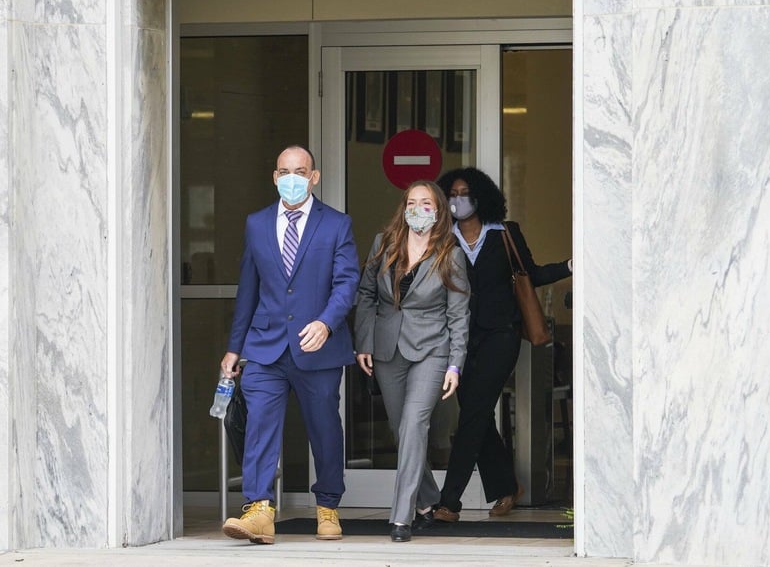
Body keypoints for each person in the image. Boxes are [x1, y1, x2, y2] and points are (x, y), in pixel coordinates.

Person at [219, 145, 360, 545]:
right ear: (275, 176)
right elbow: (248, 288)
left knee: (324, 428)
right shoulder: (257, 224)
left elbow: (346, 282)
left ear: (314, 177)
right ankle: (259, 510)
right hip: (265, 347)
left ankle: (328, 506)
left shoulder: (336, 224)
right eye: (284, 171)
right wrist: (235, 347)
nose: (292, 177)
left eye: (300, 170)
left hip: (318, 347)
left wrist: (327, 323)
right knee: (260, 425)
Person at [432, 167, 571, 522]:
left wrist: (570, 265)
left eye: (466, 193)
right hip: (459, 339)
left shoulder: (505, 234)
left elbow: (532, 273)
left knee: (474, 414)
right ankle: (508, 486)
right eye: (453, 193)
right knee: (477, 416)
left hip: (501, 335)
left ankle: (449, 501)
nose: (458, 199)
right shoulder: (442, 237)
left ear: (481, 197)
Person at [354, 180, 470, 542]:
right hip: (388, 348)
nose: (418, 209)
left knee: (415, 424)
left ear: (438, 210)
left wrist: (455, 364)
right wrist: (364, 342)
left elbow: (459, 314)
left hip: (432, 349)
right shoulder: (383, 243)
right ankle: (429, 499)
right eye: (412, 202)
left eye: (426, 203)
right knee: (401, 428)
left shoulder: (451, 253)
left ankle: (401, 517)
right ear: (403, 207)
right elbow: (366, 293)